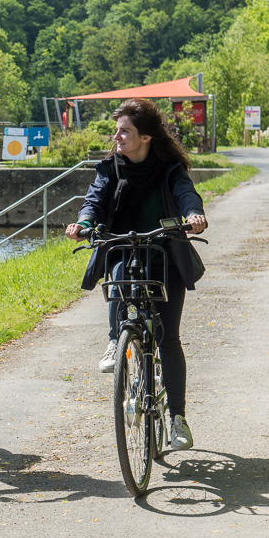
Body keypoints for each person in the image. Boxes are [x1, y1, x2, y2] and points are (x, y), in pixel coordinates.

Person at [64, 98, 207, 451]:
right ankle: (117, 339)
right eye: (116, 131)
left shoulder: (169, 168)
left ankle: (177, 419)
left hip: (164, 252)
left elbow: (186, 194)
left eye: (124, 131)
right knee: (116, 275)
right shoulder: (110, 167)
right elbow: (94, 201)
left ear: (145, 137)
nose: (117, 137)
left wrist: (194, 215)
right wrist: (84, 223)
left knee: (167, 338)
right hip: (123, 246)